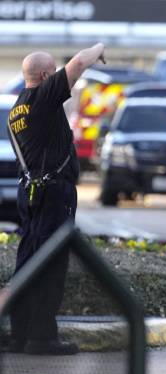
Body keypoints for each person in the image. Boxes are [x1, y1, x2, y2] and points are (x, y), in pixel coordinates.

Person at [5, 43, 105, 355]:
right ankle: (42, 338)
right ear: (47, 75)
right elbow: (77, 63)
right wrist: (99, 48)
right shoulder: (44, 98)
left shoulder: (16, 109)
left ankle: (20, 334)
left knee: (29, 262)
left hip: (31, 192)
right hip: (52, 194)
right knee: (51, 262)